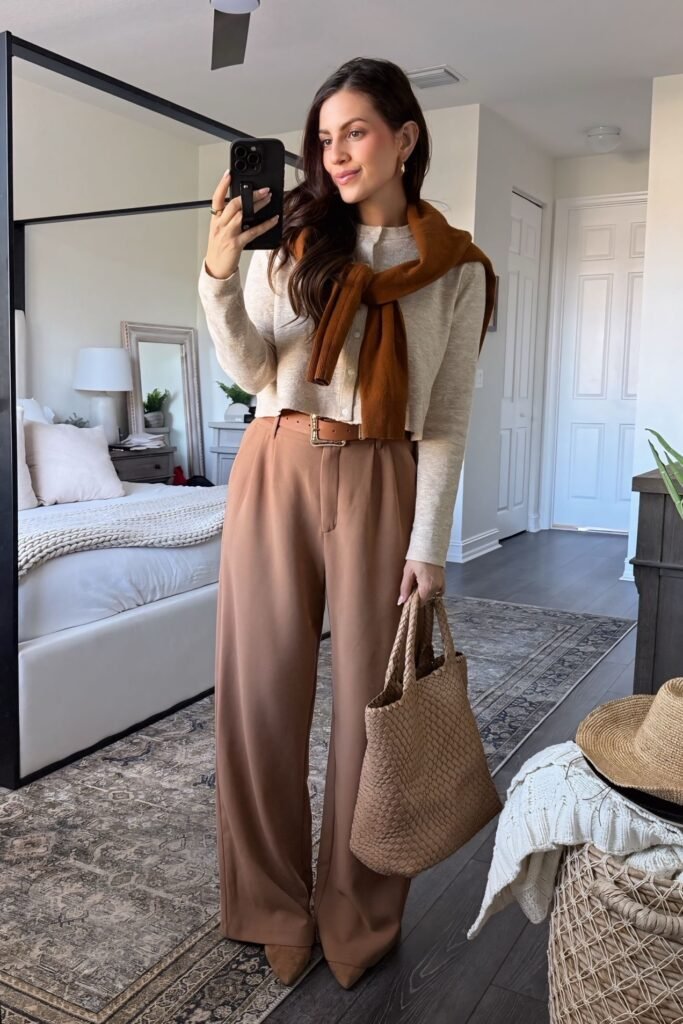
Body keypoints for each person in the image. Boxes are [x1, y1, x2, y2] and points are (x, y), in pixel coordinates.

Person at [197, 56, 496, 991]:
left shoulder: (453, 268)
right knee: (259, 696)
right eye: (322, 139)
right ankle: (270, 904)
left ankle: (356, 914)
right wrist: (217, 274)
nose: (334, 155)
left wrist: (428, 546)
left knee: (375, 708)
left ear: (405, 137)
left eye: (354, 132)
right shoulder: (287, 241)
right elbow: (252, 369)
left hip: (380, 472)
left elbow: (443, 417)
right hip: (277, 459)